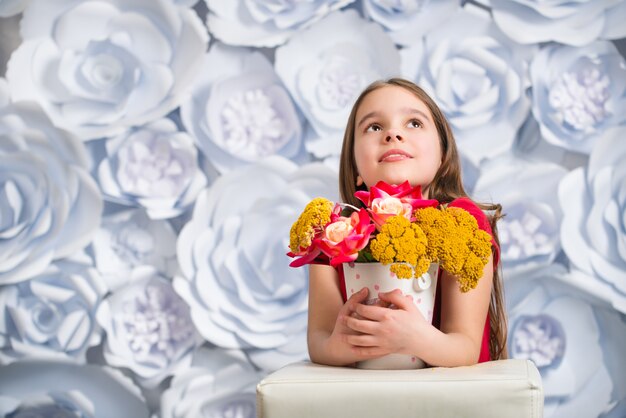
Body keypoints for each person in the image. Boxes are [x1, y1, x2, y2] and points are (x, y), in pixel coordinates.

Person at [307, 78, 507, 367]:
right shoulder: (332, 233)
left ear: (442, 156)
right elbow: (319, 341)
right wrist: (340, 345)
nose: (393, 134)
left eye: (414, 123)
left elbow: (465, 347)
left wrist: (413, 338)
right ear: (355, 168)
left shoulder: (463, 223)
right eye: (374, 127)